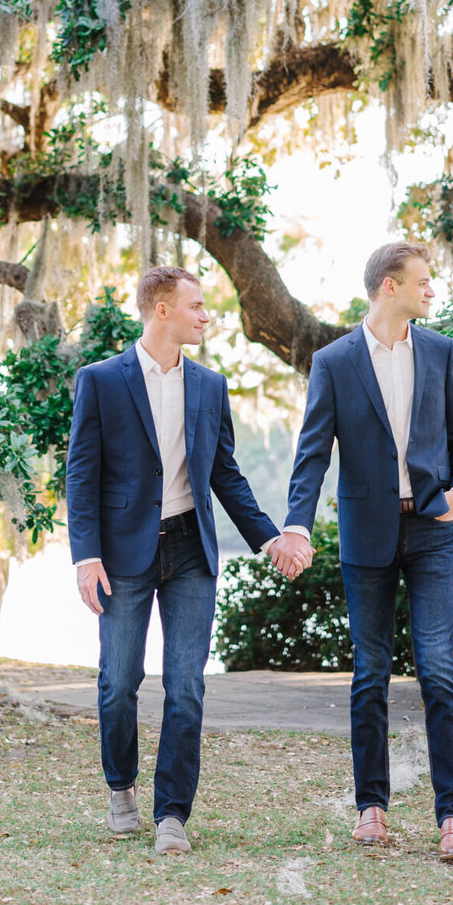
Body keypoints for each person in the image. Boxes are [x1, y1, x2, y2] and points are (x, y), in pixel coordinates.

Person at [66, 265, 310, 856]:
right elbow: (81, 473)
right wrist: (86, 556)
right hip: (122, 553)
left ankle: (171, 815)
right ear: (162, 310)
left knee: (186, 687)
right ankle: (120, 786)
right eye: (197, 306)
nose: (206, 316)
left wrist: (270, 537)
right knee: (119, 683)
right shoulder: (100, 381)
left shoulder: (209, 385)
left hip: (190, 550)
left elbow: (225, 474)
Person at [269, 241, 453, 861]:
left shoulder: (440, 351)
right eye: (422, 281)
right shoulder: (334, 362)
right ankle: (371, 809)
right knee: (369, 676)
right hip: (366, 535)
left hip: (434, 531)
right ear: (390, 287)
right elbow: (312, 453)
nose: (431, 290)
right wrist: (297, 528)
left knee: (439, 670)